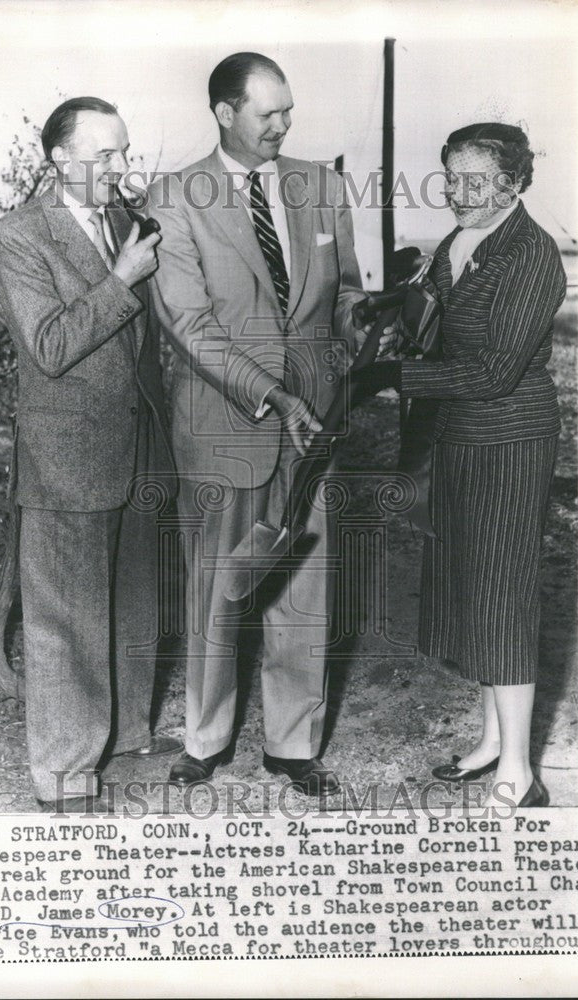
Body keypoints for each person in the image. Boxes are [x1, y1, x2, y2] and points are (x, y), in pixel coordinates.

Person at [148, 52, 380, 794]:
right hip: (225, 412)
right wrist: (275, 396)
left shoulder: (322, 184)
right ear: (224, 112)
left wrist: (361, 330)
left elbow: (343, 290)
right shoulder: (176, 196)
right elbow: (189, 321)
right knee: (220, 579)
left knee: (305, 580)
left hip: (317, 417)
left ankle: (293, 745)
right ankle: (206, 737)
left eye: (289, 110)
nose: (285, 124)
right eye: (268, 112)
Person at [0, 96, 181, 813]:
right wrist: (123, 278)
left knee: (133, 600)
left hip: (137, 447)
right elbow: (51, 346)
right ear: (59, 160)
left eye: (124, 152)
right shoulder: (17, 235)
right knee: (63, 619)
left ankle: (126, 735)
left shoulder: (127, 223)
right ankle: (65, 774)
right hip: (66, 453)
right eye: (105, 155)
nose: (121, 168)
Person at [397, 123, 567, 807]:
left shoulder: (533, 252)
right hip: (460, 437)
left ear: (515, 183)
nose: (456, 192)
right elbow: (440, 337)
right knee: (475, 594)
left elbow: (496, 370)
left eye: (474, 180)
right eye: (450, 177)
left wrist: (396, 373)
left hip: (510, 439)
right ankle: (495, 741)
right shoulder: (459, 241)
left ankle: (520, 773)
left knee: (504, 597)